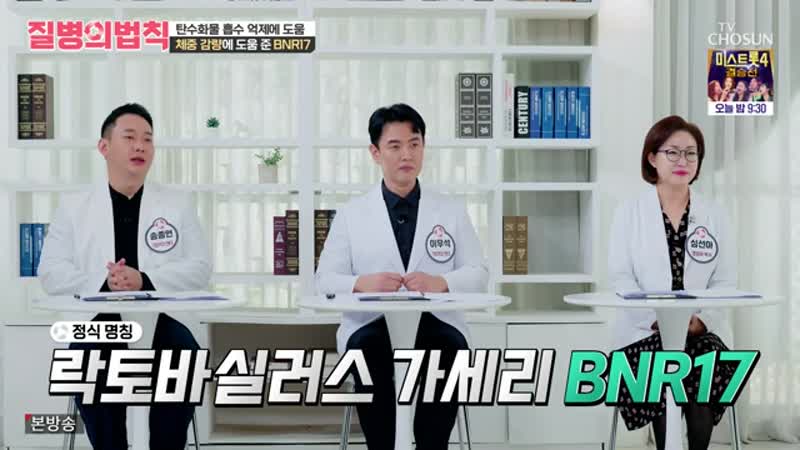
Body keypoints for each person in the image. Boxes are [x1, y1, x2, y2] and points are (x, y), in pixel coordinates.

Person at [39, 103, 212, 450]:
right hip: (100, 319)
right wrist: (104, 282)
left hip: (164, 316)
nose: (140, 146)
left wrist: (144, 279)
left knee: (185, 356)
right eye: (129, 137)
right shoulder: (73, 206)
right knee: (88, 361)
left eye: (147, 139)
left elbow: (200, 268)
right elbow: (50, 272)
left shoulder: (177, 203)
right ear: (104, 147)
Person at [315, 103, 489, 449]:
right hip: (372, 323)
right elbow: (324, 281)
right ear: (375, 153)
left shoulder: (450, 210)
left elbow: (479, 274)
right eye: (394, 146)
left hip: (434, 321)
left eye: (414, 144)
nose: (406, 154)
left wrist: (441, 282)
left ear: (423, 147)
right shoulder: (352, 214)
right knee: (365, 353)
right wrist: (361, 283)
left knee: (451, 350)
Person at [608, 115, 738, 450]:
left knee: (704, 364)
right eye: (673, 152)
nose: (683, 161)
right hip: (646, 330)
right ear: (653, 157)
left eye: (691, 153)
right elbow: (621, 276)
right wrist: (655, 317)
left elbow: (725, 281)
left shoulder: (715, 214)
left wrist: (702, 320)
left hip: (702, 331)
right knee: (662, 365)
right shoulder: (629, 212)